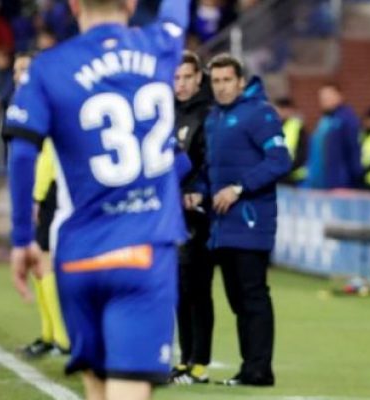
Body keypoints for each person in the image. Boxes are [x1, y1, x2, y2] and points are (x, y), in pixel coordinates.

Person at [3, 0, 191, 399]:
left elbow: (21, 154)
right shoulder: (162, 43)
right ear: (131, 3)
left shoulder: (47, 67)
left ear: (73, 5)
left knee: (97, 388)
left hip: (80, 254)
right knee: (128, 387)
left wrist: (22, 237)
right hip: (143, 252)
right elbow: (177, 10)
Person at [202, 53, 291, 386]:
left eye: (227, 81)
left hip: (252, 219)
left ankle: (259, 369)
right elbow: (212, 168)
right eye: (216, 81)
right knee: (238, 299)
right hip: (222, 224)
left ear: (241, 82)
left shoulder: (260, 113)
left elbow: (281, 159)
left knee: (253, 295)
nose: (222, 88)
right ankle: (250, 366)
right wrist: (200, 191)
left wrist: (239, 188)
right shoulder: (214, 118)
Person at [9, 51, 70, 359]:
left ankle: (61, 337)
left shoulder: (41, 104)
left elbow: (47, 156)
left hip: (49, 193)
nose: (19, 75)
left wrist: (35, 196)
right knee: (39, 266)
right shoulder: (26, 106)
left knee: (45, 262)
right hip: (40, 192)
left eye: (24, 69)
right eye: (16, 70)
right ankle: (49, 334)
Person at [169, 50, 214, 385]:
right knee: (178, 289)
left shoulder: (208, 113)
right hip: (170, 212)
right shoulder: (167, 112)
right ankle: (185, 359)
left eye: (187, 77)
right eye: (176, 77)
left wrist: (199, 190)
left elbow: (212, 161)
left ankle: (199, 361)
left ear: (199, 77)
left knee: (197, 287)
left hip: (198, 213)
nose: (181, 84)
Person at [305, 83, 363, 189]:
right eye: (322, 98)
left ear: (340, 96)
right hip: (320, 182)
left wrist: (354, 178)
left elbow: (353, 150)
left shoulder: (347, 120)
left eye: (329, 96)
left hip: (340, 184)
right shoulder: (324, 121)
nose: (325, 100)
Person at [273, 97, 308, 186]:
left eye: (280, 109)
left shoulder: (297, 127)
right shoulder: (275, 127)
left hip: (294, 177)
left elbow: (302, 153)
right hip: (279, 176)